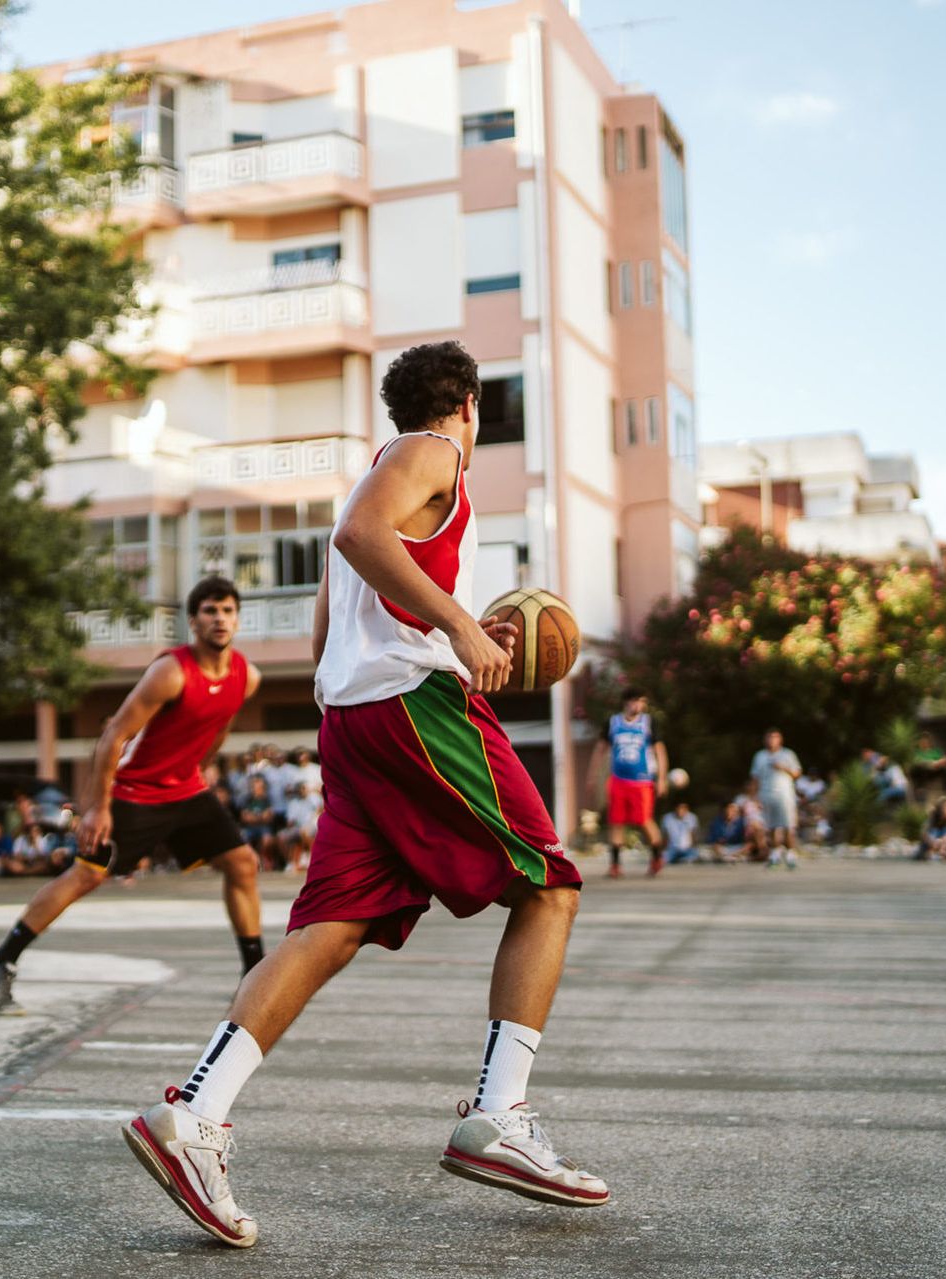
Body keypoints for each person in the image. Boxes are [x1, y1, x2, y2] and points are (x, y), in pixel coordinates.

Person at [122, 341, 607, 1249]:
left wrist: (425, 633)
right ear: (466, 403)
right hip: (410, 708)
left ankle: (192, 1114)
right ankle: (498, 1113)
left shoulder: (379, 473)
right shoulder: (436, 454)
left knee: (328, 928)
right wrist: (459, 628)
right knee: (549, 884)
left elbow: (332, 600)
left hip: (351, 718)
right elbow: (357, 540)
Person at [0, 576, 267, 1015]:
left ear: (237, 619)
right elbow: (112, 736)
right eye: (210, 611)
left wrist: (201, 766)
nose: (219, 619)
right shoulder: (170, 672)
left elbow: (219, 726)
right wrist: (97, 808)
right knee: (85, 876)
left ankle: (255, 977)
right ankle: (0, 960)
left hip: (187, 790)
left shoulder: (248, 677)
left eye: (227, 610)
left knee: (242, 863)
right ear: (193, 621)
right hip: (136, 794)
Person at [587, 689, 669, 877]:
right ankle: (615, 865)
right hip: (618, 780)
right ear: (626, 702)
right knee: (616, 821)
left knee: (644, 820)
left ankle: (657, 856)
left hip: (642, 781)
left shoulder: (648, 723)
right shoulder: (613, 723)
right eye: (635, 701)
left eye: (642, 701)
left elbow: (660, 751)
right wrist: (592, 776)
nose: (638, 705)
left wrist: (662, 778)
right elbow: (600, 750)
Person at [750, 729, 802, 869]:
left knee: (787, 825)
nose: (772, 740)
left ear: (780, 740)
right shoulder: (760, 756)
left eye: (775, 737)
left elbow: (797, 773)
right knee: (771, 826)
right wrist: (754, 798)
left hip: (784, 795)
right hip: (766, 794)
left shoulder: (787, 754)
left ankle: (791, 854)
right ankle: (775, 854)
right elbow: (755, 778)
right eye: (769, 737)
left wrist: (783, 768)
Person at [277, 779, 322, 872]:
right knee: (281, 836)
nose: (302, 790)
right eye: (300, 789)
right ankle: (289, 862)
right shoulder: (293, 803)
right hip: (297, 827)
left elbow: (320, 810)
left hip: (313, 826)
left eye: (304, 788)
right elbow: (290, 822)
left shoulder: (314, 799)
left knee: (304, 832)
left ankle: (309, 856)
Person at [238, 775, 279, 869]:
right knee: (242, 837)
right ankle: (251, 859)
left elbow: (269, 817)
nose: (256, 789)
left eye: (259, 786)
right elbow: (244, 817)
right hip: (249, 828)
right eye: (254, 786)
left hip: (264, 827)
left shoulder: (268, 799)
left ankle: (262, 858)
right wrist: (260, 817)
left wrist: (254, 817)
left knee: (267, 839)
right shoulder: (247, 799)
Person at [911, 734, 946, 798]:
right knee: (919, 768)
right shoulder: (917, 752)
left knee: (945, 769)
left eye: (925, 742)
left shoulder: (936, 751)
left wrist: (938, 763)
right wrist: (931, 763)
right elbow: (916, 762)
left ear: (929, 743)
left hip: (934, 771)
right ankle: (921, 789)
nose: (924, 744)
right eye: (922, 742)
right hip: (923, 771)